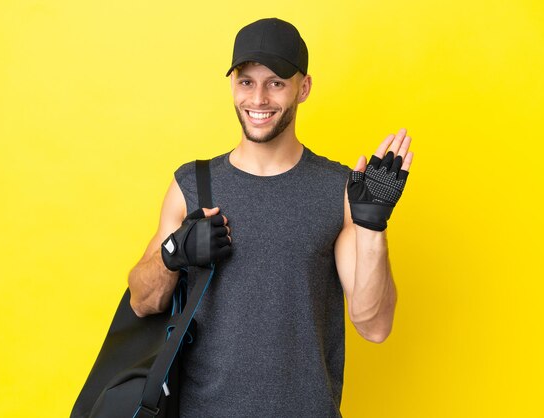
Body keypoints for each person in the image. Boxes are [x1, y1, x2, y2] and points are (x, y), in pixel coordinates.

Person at [127, 17, 413, 417]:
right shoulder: (192, 185)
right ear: (232, 86)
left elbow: (375, 326)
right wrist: (174, 252)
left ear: (304, 87)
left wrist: (372, 228)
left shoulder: (339, 191)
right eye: (246, 81)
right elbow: (142, 302)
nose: (258, 98)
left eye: (276, 82)